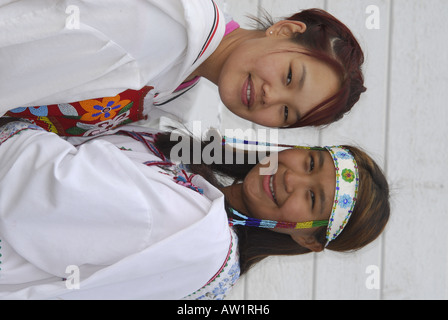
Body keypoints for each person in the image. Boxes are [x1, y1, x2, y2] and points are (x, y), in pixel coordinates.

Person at [0, 118, 389, 300]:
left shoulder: (203, 236)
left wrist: (22, 124)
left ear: (307, 237)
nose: (292, 179)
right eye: (310, 164)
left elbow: (41, 187)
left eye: (313, 198)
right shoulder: (200, 182)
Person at [0, 0, 365, 136]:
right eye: (289, 76)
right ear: (285, 30)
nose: (271, 96)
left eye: (287, 113)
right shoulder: (157, 24)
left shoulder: (181, 87)